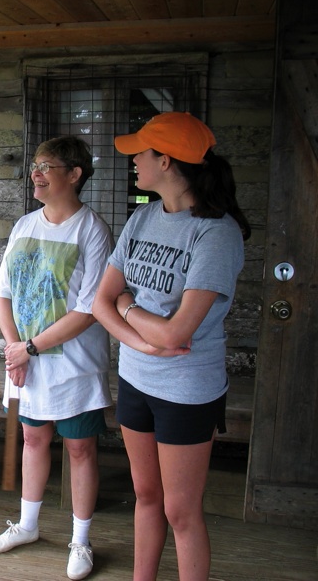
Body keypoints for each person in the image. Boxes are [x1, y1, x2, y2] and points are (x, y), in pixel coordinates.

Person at [92, 112, 250, 581]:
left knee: (181, 512)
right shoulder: (142, 216)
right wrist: (142, 338)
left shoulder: (215, 233)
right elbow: (97, 302)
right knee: (146, 497)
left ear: (166, 159)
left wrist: (127, 308)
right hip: (136, 378)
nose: (134, 162)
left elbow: (177, 333)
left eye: (141, 153)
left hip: (187, 388)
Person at [0, 136, 113, 580]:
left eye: (47, 166)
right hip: (23, 360)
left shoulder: (91, 230)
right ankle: (27, 525)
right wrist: (14, 348)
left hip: (71, 363)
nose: (36, 174)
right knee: (33, 439)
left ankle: (81, 540)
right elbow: (3, 294)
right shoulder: (24, 226)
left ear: (75, 174)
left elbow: (87, 309)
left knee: (79, 449)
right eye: (35, 166)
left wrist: (29, 348)